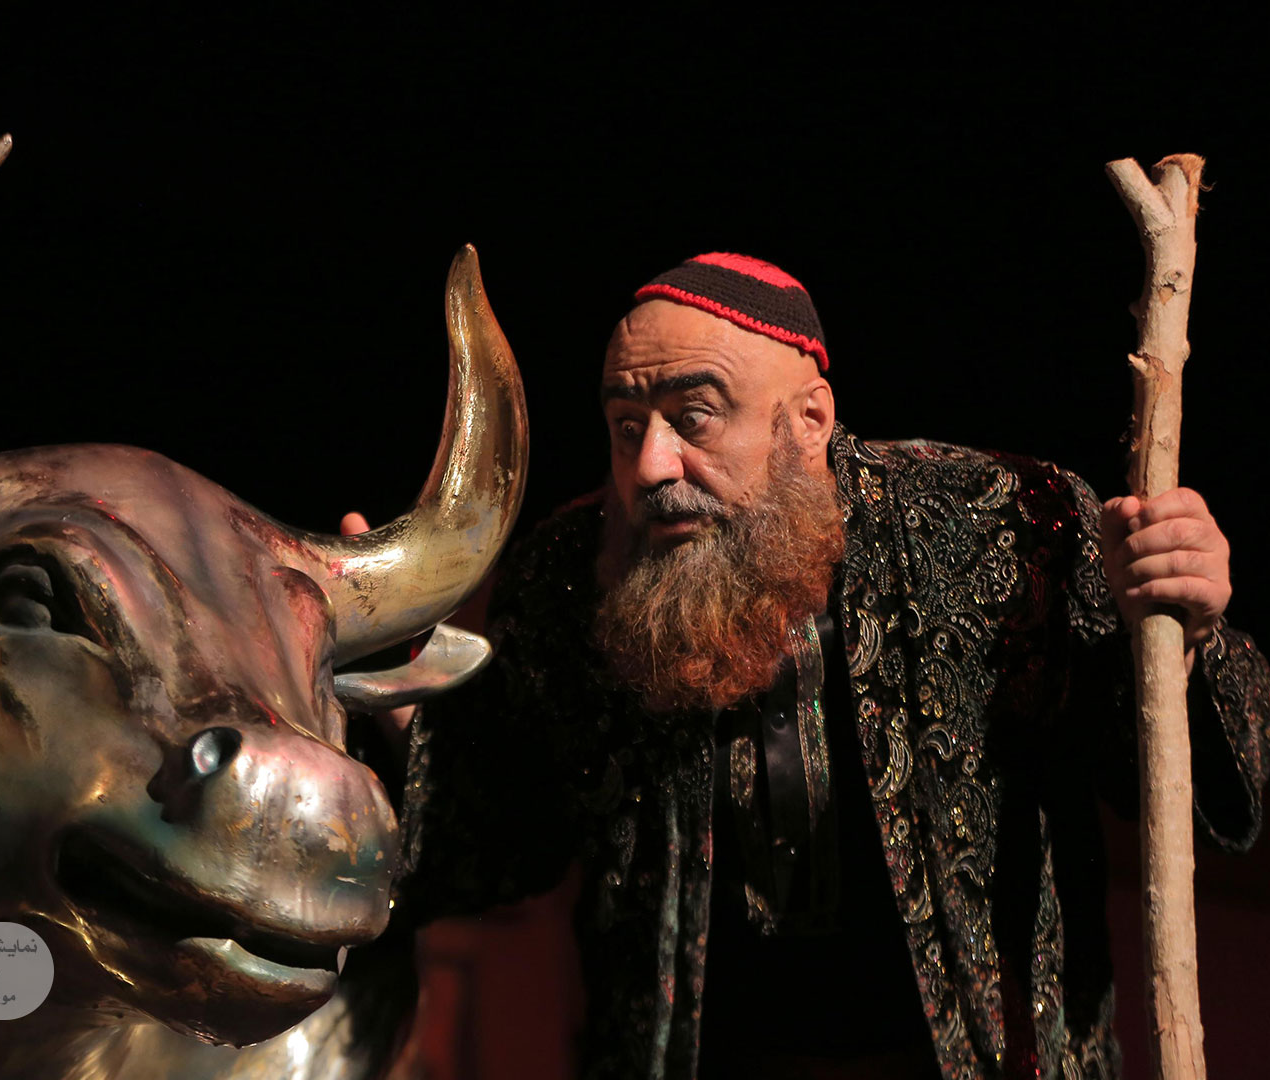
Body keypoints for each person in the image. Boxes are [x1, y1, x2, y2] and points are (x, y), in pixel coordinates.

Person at [366, 253, 1270, 1080]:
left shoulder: (1009, 522)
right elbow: (501, 849)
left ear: (810, 421)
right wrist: (406, 714)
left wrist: (1183, 630)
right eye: (625, 424)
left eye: (693, 417)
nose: (649, 464)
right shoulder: (574, 578)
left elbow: (1182, 791)